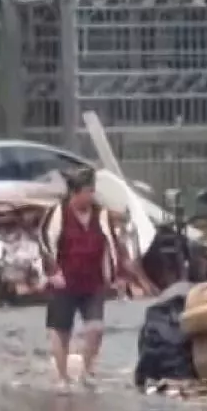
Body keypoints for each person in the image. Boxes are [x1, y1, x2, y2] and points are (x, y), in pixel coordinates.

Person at [39, 167, 130, 390]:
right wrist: (52, 272)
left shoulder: (101, 215)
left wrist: (118, 275)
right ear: (75, 193)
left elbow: (113, 244)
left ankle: (87, 371)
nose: (91, 196)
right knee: (61, 331)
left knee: (95, 328)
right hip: (64, 281)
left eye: (92, 191)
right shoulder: (58, 213)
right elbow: (45, 242)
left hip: (93, 281)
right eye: (88, 191)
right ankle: (62, 377)